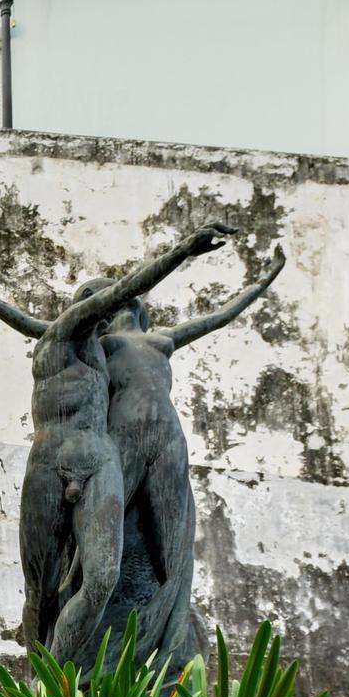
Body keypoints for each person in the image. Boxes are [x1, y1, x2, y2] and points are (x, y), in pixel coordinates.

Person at [0, 225, 223, 664]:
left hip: (101, 461)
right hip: (53, 461)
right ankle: (42, 678)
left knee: (101, 579)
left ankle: (64, 671)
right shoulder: (64, 333)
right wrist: (186, 249)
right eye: (103, 302)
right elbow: (34, 319)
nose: (112, 310)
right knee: (42, 589)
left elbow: (196, 326)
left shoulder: (107, 350)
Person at [99, 234, 283, 669]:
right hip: (121, 439)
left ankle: (169, 630)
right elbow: (40, 330)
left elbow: (220, 316)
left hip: (168, 439)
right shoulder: (99, 344)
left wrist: (264, 281)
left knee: (172, 540)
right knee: (110, 530)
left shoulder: (161, 340)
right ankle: (105, 628)